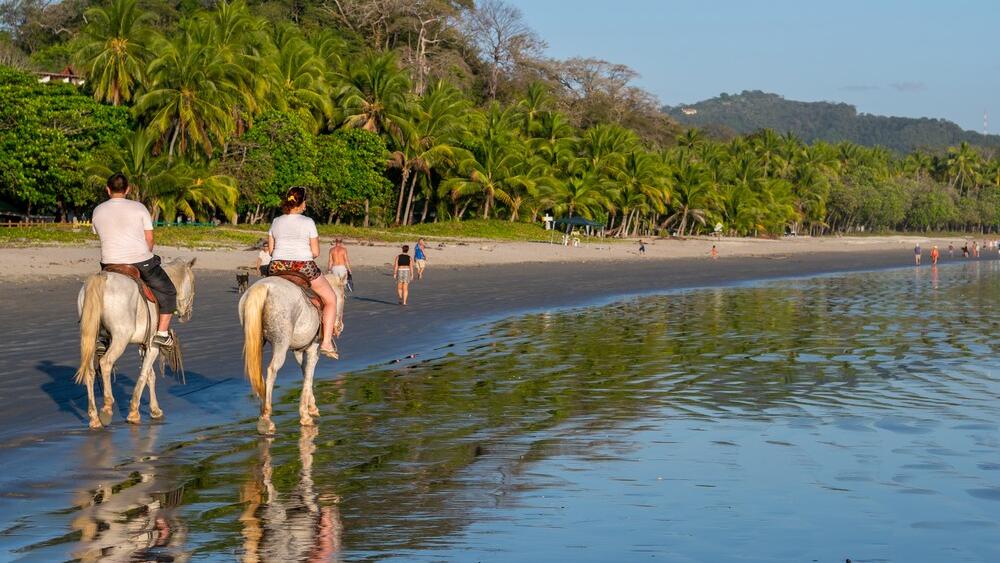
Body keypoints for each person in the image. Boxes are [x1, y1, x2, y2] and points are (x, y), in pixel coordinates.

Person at [91, 173, 176, 347]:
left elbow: (100, 234)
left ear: (108, 190)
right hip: (140, 261)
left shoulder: (98, 210)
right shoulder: (139, 208)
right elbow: (150, 240)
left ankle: (101, 336)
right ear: (128, 189)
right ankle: (162, 333)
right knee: (168, 291)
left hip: (109, 265)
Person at [266, 187, 339, 359]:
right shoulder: (308, 222)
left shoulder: (276, 221)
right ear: (301, 203)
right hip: (302, 266)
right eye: (305, 200)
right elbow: (315, 252)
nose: (306, 204)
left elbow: (270, 251)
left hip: (276, 266)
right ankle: (327, 343)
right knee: (331, 299)